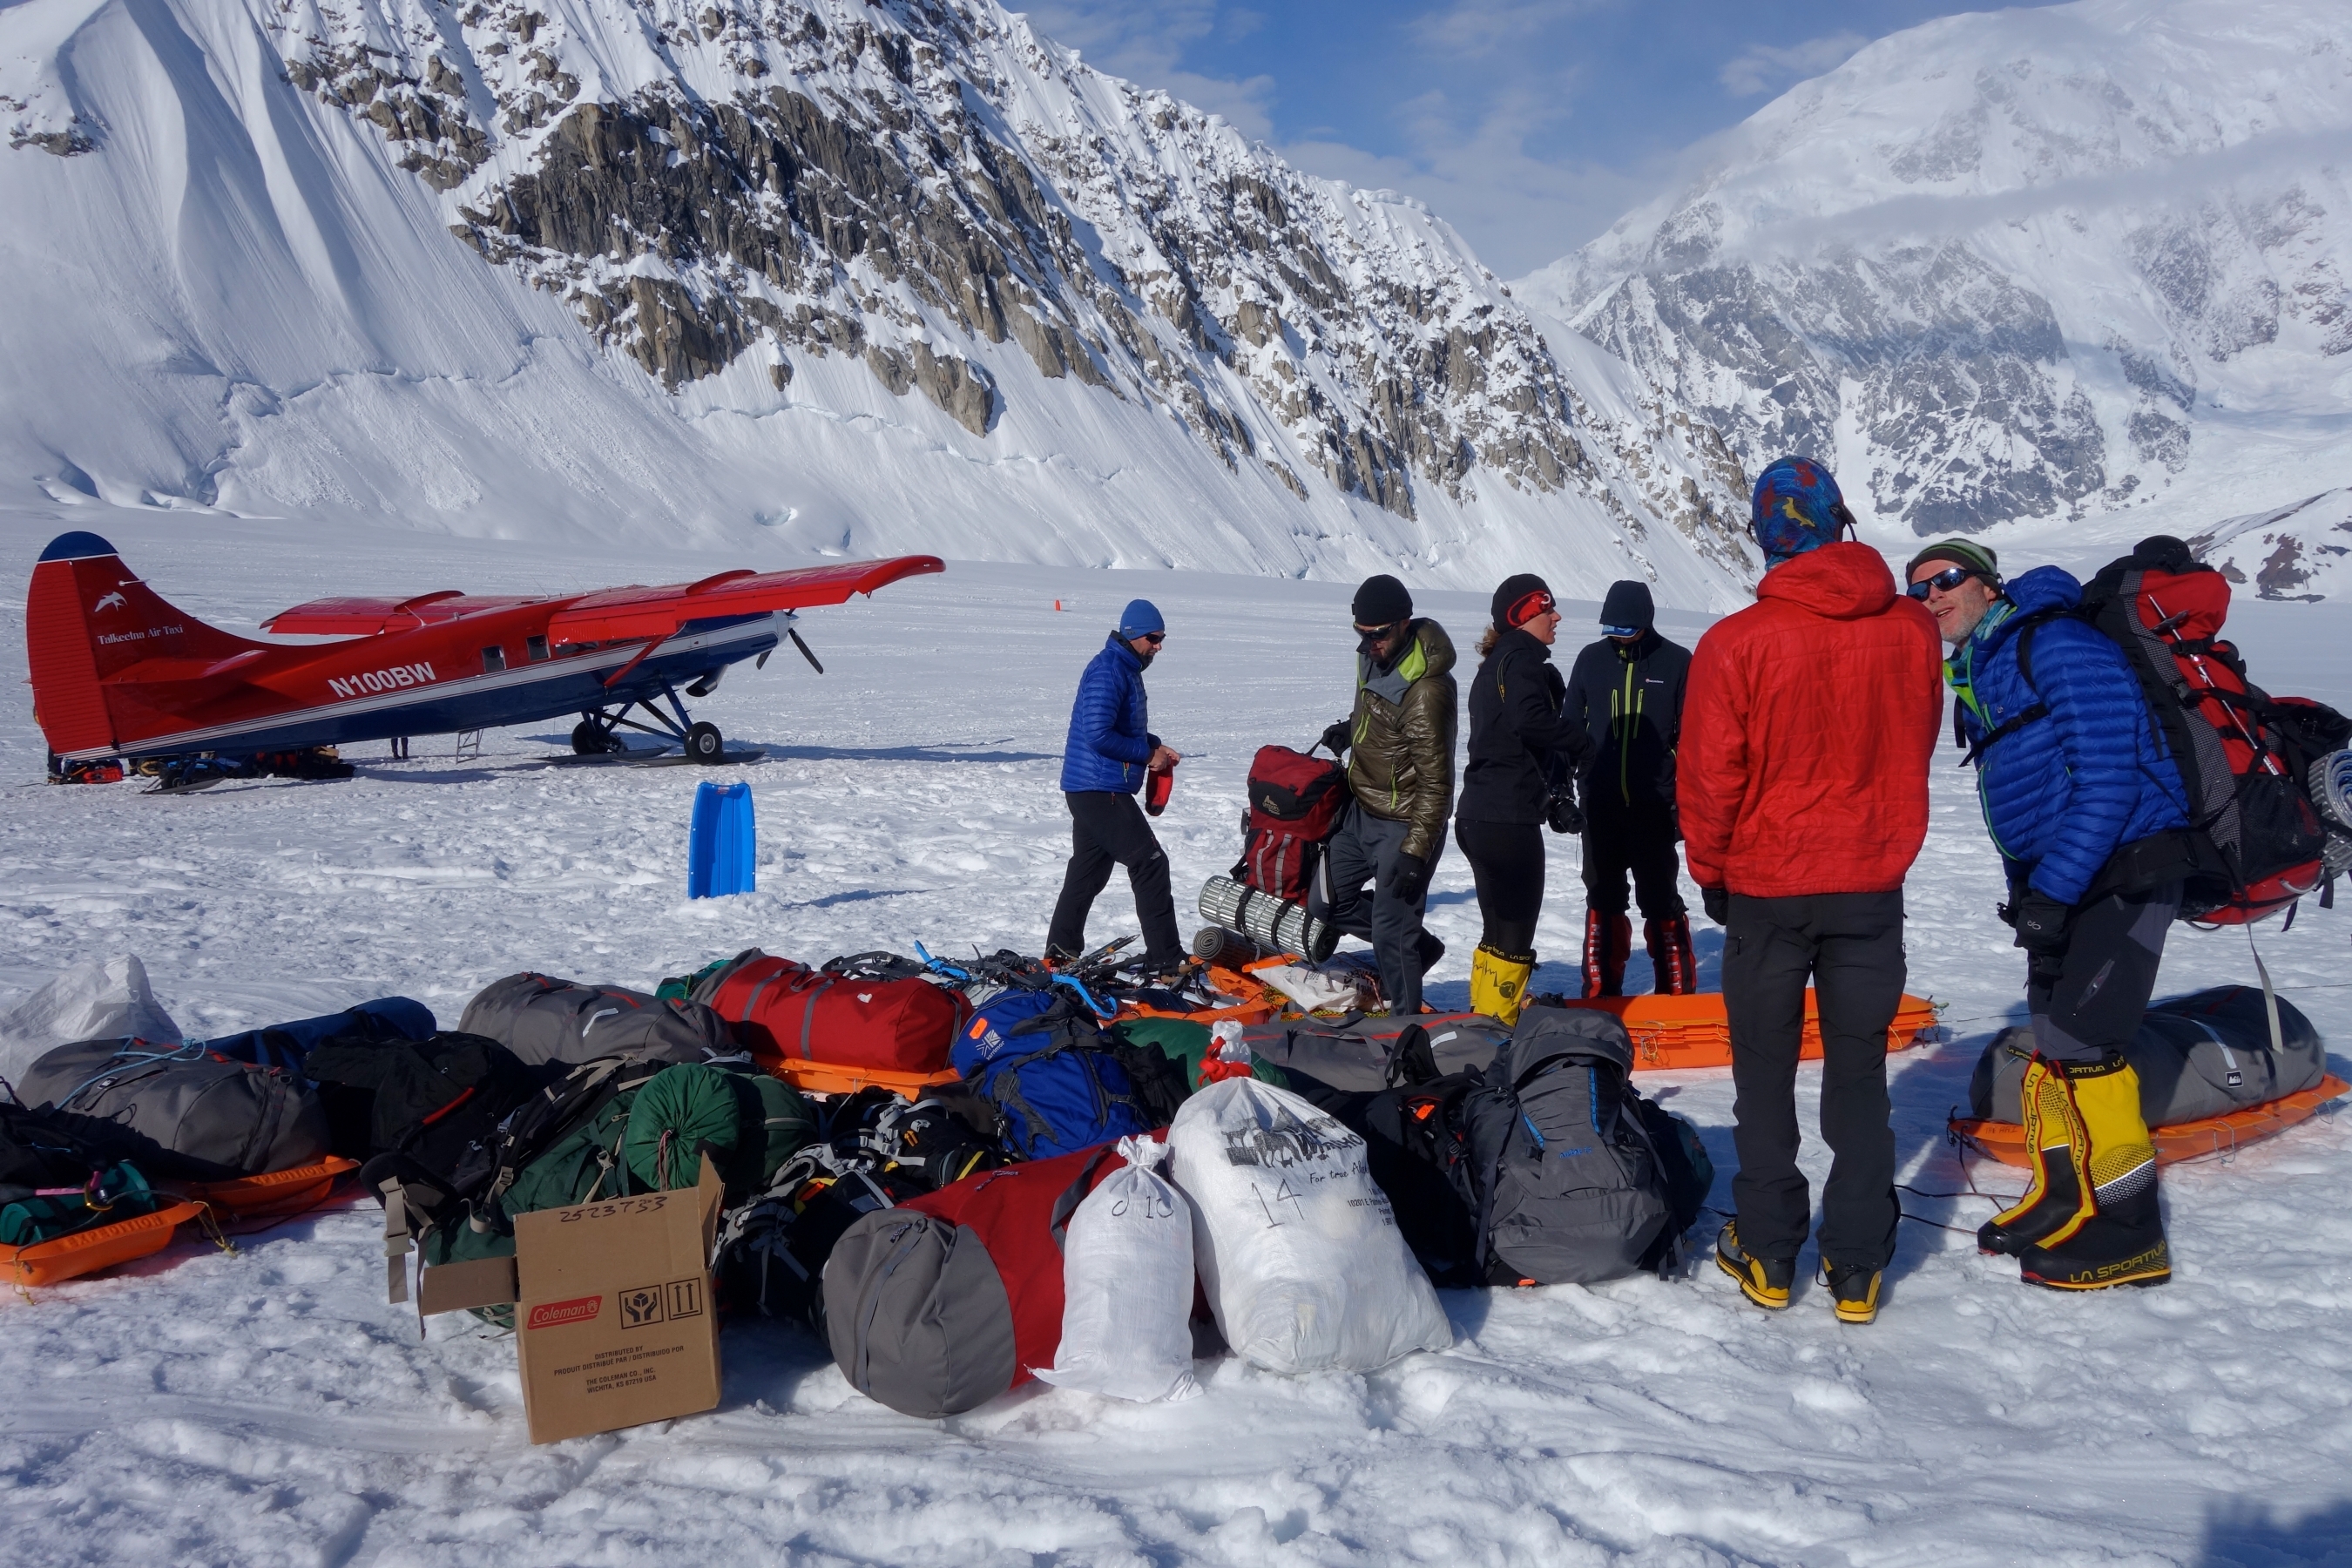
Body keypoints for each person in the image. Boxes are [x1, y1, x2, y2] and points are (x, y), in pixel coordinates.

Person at [1682, 457, 1943, 1325]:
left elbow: (1711, 779)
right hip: (1869, 882)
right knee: (1860, 1074)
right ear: (1840, 523)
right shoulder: (1911, 632)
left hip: (1767, 886)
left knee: (1762, 1075)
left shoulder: (1736, 643)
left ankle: (1767, 1249)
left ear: (1769, 535)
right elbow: (1914, 739)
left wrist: (1713, 873)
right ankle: (1859, 1265)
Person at [1908, 537, 2190, 1292]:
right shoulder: (1986, 667)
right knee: (2055, 1037)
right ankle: (2067, 1197)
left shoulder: (2057, 641)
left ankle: (2132, 1231)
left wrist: (2055, 892)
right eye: (1919, 589)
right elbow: (2027, 797)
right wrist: (2034, 893)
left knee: (2087, 1043)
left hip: (2124, 868)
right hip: (2063, 881)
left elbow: (2110, 780)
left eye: (1946, 579)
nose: (1932, 597)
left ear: (1988, 583)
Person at [1311, 574, 1457, 1017]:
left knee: (1392, 933)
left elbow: (1437, 783)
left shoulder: (1428, 691)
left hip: (1405, 823)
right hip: (1361, 810)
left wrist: (1417, 851)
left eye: (1376, 635)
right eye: (1360, 634)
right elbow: (1374, 714)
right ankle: (1418, 944)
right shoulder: (1372, 658)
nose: (1367, 645)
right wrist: (1349, 730)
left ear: (1403, 624)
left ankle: (1405, 1033)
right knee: (1326, 901)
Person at [1455, 574, 1592, 1023]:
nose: (1556, 617)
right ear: (1521, 617)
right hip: (1507, 821)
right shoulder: (1521, 659)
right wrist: (1585, 743)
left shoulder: (1495, 662)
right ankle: (1498, 1034)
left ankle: (1485, 1016)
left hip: (1479, 817)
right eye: (1545, 610)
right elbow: (1529, 720)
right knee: (1514, 935)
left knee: (1497, 930)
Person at [1565, 580, 1694, 997]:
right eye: (1612, 631)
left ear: (1645, 623)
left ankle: (1676, 992)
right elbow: (1570, 727)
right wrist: (1568, 783)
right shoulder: (1591, 660)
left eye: (1626, 630)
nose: (1618, 639)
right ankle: (1602, 992)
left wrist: (1681, 799)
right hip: (1600, 805)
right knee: (1603, 896)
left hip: (1654, 805)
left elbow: (1691, 736)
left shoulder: (1675, 661)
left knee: (1659, 898)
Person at [1045, 599, 1185, 972]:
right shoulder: (1109, 671)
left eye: (1162, 638)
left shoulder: (1124, 667)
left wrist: (1153, 745)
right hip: (1097, 788)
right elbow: (1098, 734)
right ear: (1133, 635)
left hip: (1094, 786)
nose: (1159, 646)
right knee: (1150, 862)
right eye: (1154, 638)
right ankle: (1167, 959)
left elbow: (1122, 726)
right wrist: (1145, 755)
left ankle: (1058, 956)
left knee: (1087, 873)